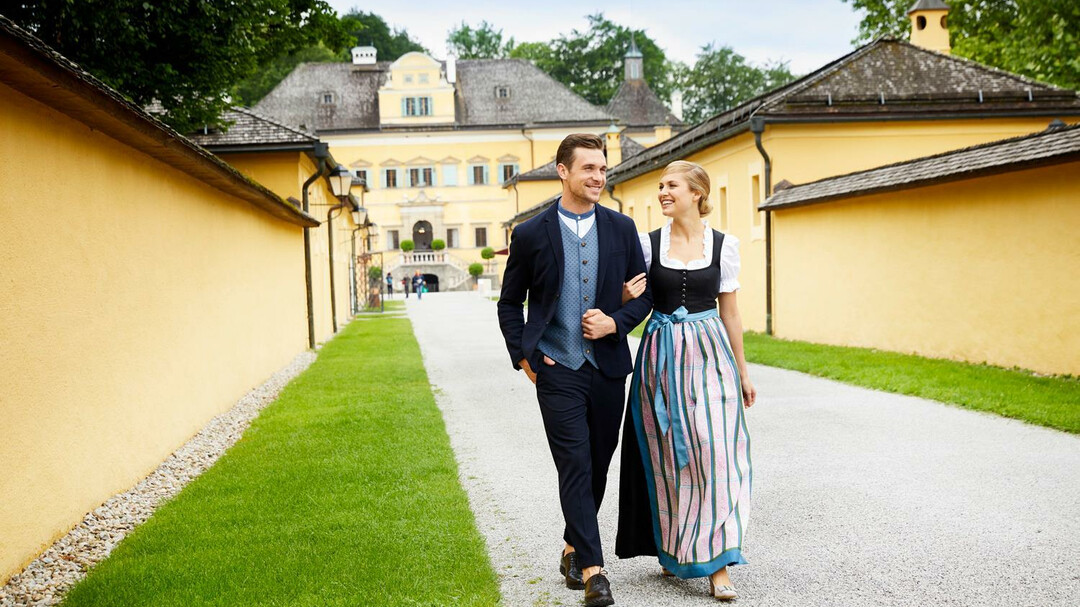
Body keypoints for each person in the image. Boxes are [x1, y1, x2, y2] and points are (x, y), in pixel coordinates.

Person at [498, 133, 652, 607]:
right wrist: (524, 355)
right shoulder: (529, 234)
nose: (598, 177)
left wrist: (616, 321)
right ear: (562, 171)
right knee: (575, 463)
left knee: (599, 464)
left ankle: (571, 545)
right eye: (588, 168)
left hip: (606, 367)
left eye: (603, 169)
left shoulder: (622, 229)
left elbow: (645, 295)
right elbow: (510, 303)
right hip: (556, 366)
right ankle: (593, 571)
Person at [615, 160, 757, 601]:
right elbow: (625, 296)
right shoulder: (646, 243)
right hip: (660, 355)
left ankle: (718, 565)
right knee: (668, 456)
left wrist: (743, 370)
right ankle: (676, 547)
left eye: (670, 185)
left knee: (716, 452)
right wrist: (624, 296)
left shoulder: (724, 244)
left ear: (697, 192)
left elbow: (730, 312)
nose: (662, 192)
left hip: (710, 352)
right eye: (659, 185)